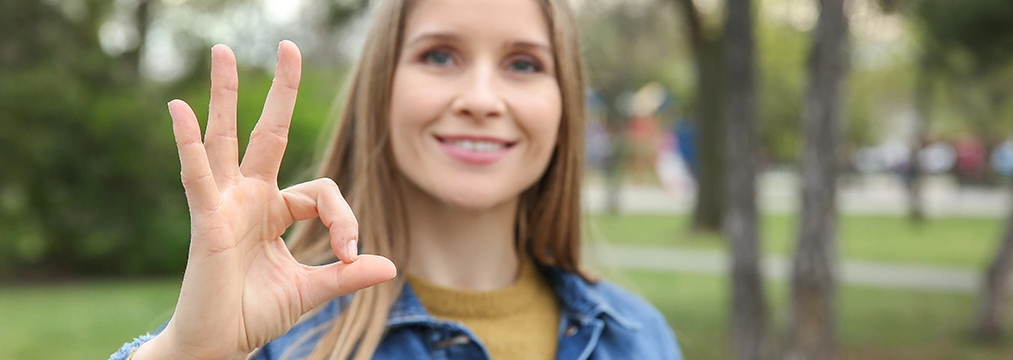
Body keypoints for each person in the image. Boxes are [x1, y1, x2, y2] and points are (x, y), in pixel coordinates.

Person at [111, 0, 681, 359]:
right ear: (381, 89)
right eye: (440, 56)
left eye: (524, 64)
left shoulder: (637, 339)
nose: (481, 99)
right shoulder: (277, 339)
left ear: (564, 109)